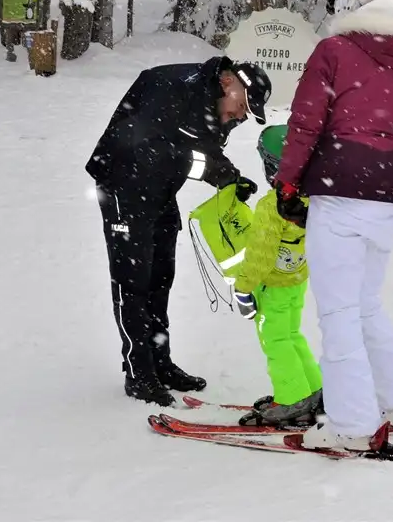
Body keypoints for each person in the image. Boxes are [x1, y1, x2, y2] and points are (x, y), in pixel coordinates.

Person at [272, 0, 393, 457]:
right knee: (366, 302)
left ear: (347, 8)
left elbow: (305, 123)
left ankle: (351, 425)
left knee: (340, 311)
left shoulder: (334, 52)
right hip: (387, 193)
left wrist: (287, 183)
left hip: (339, 188)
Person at [86, 56, 272, 406]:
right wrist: (212, 171)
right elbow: (153, 150)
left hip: (158, 187)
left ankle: (160, 361)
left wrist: (230, 176)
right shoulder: (172, 89)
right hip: (124, 183)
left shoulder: (214, 102)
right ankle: (138, 372)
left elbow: (204, 148)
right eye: (243, 107)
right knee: (134, 280)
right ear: (229, 81)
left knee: (160, 275)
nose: (241, 116)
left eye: (246, 114)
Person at [230, 124, 323, 428]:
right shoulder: (315, 198)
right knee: (293, 335)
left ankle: (291, 399)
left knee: (275, 341)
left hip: (273, 287)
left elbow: (260, 254)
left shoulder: (273, 206)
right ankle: (314, 391)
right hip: (297, 283)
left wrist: (244, 288)